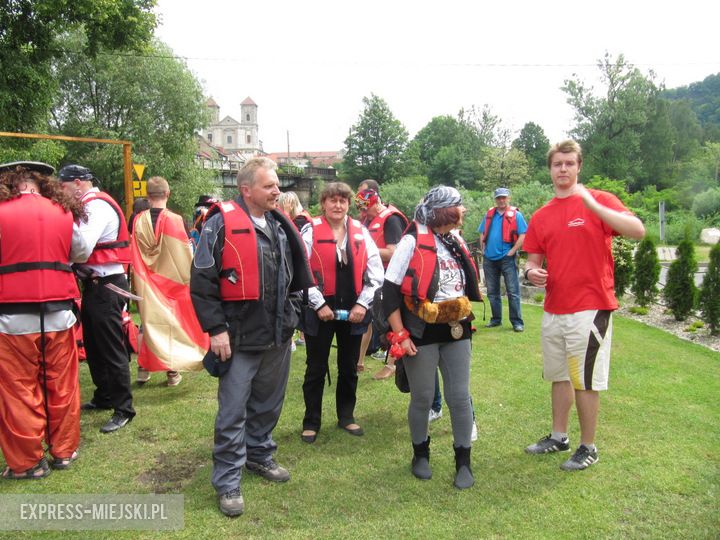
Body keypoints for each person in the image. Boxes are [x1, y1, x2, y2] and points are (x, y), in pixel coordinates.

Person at [190, 157, 313, 517]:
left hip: (277, 334)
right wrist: (215, 329)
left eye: (277, 185)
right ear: (246, 190)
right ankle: (228, 479)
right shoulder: (219, 224)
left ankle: (259, 454)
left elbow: (291, 276)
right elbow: (201, 281)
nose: (277, 190)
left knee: (268, 405)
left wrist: (291, 315)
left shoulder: (279, 223)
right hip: (238, 337)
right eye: (269, 186)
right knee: (232, 412)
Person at [523, 140, 645, 471]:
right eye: (557, 164)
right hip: (554, 309)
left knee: (585, 380)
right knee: (559, 376)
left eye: (569, 163)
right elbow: (532, 261)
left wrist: (591, 203)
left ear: (579, 167)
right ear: (550, 169)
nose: (563, 169)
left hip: (590, 307)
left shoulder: (600, 200)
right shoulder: (542, 215)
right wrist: (531, 272)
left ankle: (588, 446)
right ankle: (559, 436)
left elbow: (638, 231)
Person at [382, 186, 482, 489]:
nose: (463, 210)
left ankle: (463, 462)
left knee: (459, 397)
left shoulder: (456, 240)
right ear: (445, 211)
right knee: (423, 397)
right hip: (420, 331)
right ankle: (420, 454)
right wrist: (400, 336)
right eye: (459, 206)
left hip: (457, 327)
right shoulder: (411, 241)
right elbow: (389, 293)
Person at [0, 162, 91, 479]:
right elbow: (80, 252)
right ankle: (64, 452)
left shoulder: (1, 211)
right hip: (58, 315)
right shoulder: (63, 211)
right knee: (62, 386)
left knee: (18, 390)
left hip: (11, 319)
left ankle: (27, 464)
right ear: (42, 183)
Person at [299, 182, 383, 444]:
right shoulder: (309, 231)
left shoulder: (361, 232)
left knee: (349, 366)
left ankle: (346, 416)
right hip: (320, 308)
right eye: (332, 200)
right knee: (315, 367)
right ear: (323, 203)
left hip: (354, 308)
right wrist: (318, 304)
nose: (337, 205)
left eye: (342, 201)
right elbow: (301, 273)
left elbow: (375, 273)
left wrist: (362, 304)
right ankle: (311, 421)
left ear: (348, 204)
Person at [58, 164, 135, 434]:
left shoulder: (96, 206)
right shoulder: (89, 205)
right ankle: (104, 396)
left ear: (78, 183)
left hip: (106, 285)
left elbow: (81, 248)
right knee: (93, 344)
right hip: (95, 285)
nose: (61, 192)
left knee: (111, 348)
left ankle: (124, 408)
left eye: (64, 186)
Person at [130, 176, 209, 386]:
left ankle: (142, 369)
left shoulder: (138, 220)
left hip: (146, 281)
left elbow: (134, 253)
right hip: (172, 284)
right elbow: (183, 254)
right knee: (173, 324)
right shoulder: (176, 220)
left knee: (147, 323)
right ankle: (172, 373)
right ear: (168, 194)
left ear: (147, 196)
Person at [354, 183, 408, 378]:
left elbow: (394, 253)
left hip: (390, 279)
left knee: (392, 321)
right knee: (368, 318)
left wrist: (363, 251)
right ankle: (358, 361)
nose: (363, 214)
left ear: (375, 204)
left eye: (365, 209)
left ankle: (392, 364)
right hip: (373, 277)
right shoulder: (370, 219)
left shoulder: (391, 220)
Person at [478, 187, 527, 332]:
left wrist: (512, 251)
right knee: (492, 292)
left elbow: (523, 234)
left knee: (513, 291)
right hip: (489, 259)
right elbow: (482, 232)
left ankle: (517, 322)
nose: (501, 200)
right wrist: (483, 249)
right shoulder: (489, 214)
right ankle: (496, 319)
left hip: (507, 258)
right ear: (495, 199)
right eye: (499, 198)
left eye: (504, 197)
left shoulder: (516, 215)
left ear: (508, 198)